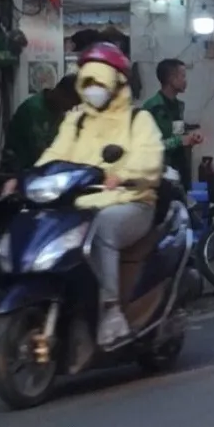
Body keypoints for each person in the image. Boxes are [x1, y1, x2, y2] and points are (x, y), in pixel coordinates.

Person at [36, 43, 162, 347]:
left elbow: (150, 159)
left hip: (132, 202)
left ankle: (112, 311)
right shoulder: (76, 120)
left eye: (100, 83)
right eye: (88, 82)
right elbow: (54, 155)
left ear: (117, 84)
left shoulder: (139, 119)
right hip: (80, 204)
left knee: (100, 229)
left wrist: (124, 175)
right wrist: (31, 178)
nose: (94, 89)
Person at [140, 58, 202, 183]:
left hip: (179, 165)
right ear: (171, 79)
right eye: (182, 76)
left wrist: (190, 139)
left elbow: (177, 134)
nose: (185, 81)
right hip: (160, 170)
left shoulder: (178, 106)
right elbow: (149, 145)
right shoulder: (152, 108)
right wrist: (180, 140)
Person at [3, 75, 78, 175]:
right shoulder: (33, 109)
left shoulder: (58, 113)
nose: (70, 108)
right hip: (18, 171)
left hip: (40, 171)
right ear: (62, 93)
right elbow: (39, 151)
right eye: (71, 103)